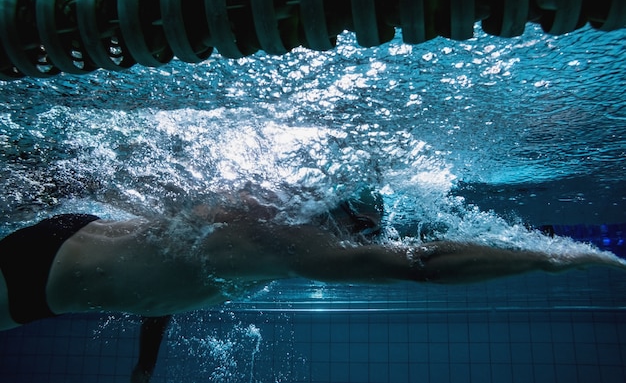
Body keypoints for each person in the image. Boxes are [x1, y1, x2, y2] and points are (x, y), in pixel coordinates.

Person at [0, 188, 624, 382]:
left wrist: (143, 365)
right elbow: (420, 265)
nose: (363, 243)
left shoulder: (271, 244)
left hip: (67, 264)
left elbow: (173, 276)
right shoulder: (286, 238)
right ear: (334, 210)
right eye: (360, 229)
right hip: (42, 265)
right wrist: (547, 259)